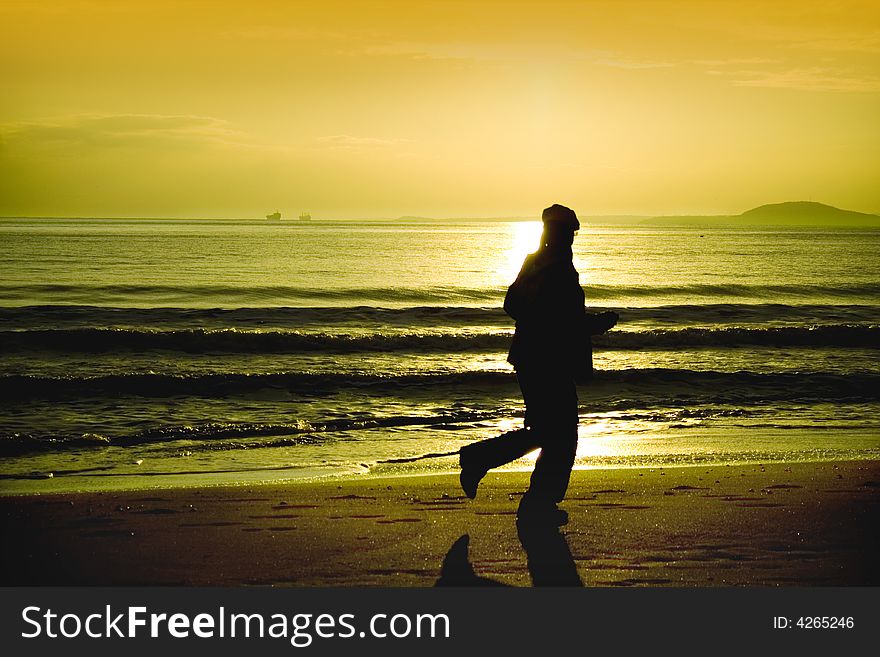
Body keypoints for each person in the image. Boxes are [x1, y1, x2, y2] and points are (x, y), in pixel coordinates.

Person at [459, 204, 618, 525]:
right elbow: (556, 318)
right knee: (560, 434)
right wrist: (592, 324)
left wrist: (579, 323)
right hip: (546, 361)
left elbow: (524, 308)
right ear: (556, 233)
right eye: (568, 233)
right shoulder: (553, 267)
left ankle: (522, 490)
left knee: (549, 432)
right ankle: (519, 488)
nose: (571, 239)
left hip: (536, 359)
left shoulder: (542, 262)